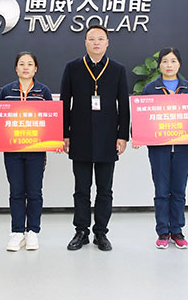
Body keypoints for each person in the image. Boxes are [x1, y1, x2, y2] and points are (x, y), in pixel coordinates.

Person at [60, 24, 130, 251]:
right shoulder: (73, 68)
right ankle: (81, 231)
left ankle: (101, 232)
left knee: (105, 189)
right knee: (81, 189)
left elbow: (124, 104)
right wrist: (65, 133)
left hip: (108, 138)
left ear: (107, 43)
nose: (96, 42)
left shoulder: (117, 69)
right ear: (85, 43)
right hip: (79, 136)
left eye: (101, 39)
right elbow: (64, 103)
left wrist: (122, 135)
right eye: (92, 39)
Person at [135, 47, 188, 250]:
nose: (169, 65)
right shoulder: (150, 88)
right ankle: (163, 231)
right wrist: (137, 135)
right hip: (159, 148)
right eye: (165, 61)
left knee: (179, 190)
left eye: (173, 61)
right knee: (162, 190)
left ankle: (178, 230)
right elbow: (141, 115)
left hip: (183, 147)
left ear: (179, 64)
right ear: (159, 65)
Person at [0, 51, 53, 251]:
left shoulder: (43, 91)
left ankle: (33, 231)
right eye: (22, 64)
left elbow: (51, 120)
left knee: (35, 191)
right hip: (12, 149)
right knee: (16, 191)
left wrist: (54, 141)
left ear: (35, 69)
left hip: (36, 151)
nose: (26, 67)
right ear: (16, 68)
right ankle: (17, 231)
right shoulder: (6, 91)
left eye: (30, 64)